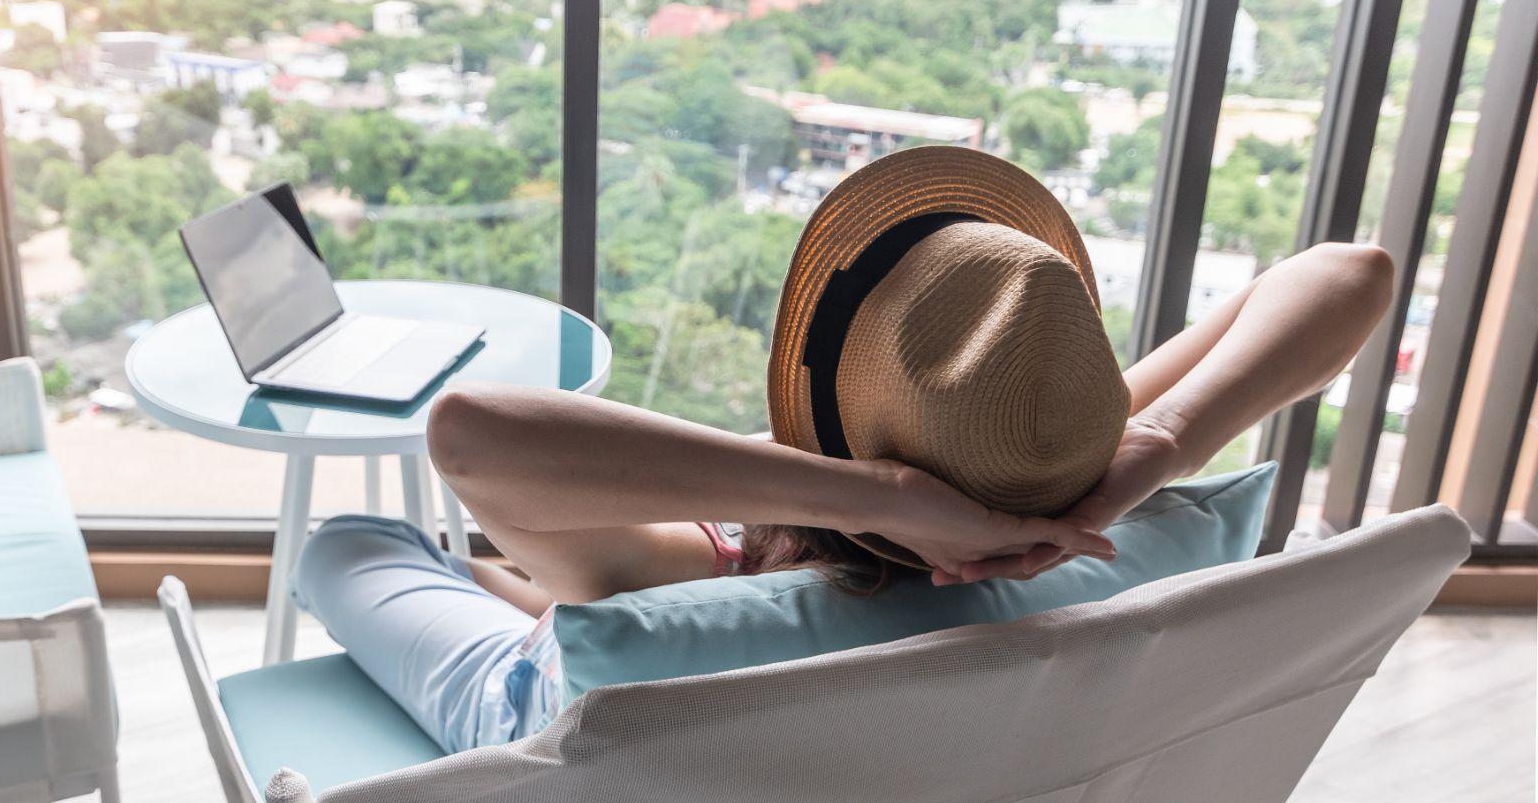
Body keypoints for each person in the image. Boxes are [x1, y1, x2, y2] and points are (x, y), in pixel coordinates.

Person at [290, 148, 1394, 755]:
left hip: (545, 710)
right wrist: (1149, 450)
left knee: (355, 542)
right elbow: (1352, 274)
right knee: (504, 569)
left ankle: (502, 598)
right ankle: (502, 587)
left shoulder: (681, 583)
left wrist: (877, 493)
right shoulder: (1085, 498)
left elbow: (467, 432)